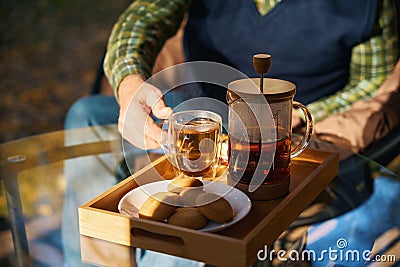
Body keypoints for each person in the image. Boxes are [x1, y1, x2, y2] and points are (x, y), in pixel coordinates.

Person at [63, 0, 399, 266]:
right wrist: (130, 85)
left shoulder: (366, 6)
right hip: (198, 111)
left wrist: (290, 117)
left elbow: (372, 84)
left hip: (278, 140)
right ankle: (91, 262)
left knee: (188, 214)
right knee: (88, 114)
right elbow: (144, 18)